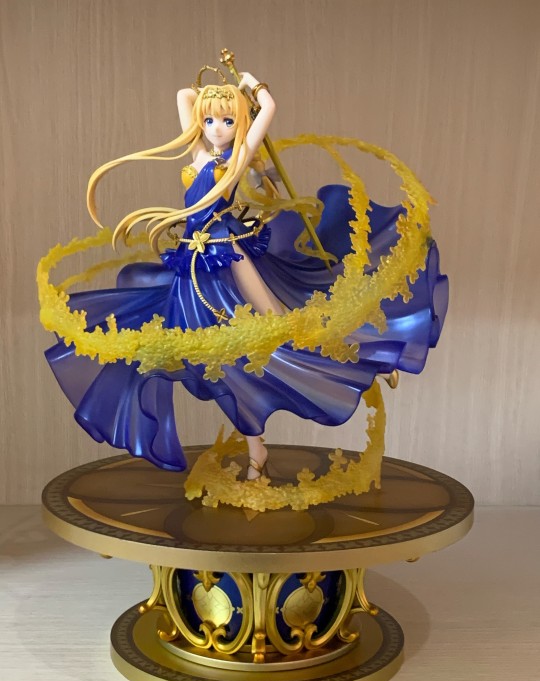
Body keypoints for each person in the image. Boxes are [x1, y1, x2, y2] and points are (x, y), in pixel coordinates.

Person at [46, 72, 448, 480]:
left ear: (239, 124)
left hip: (226, 252)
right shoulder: (198, 153)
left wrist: (252, 87)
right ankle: (258, 450)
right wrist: (219, 89)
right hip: (192, 265)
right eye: (209, 121)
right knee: (221, 364)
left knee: (280, 325)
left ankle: (374, 358)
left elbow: (269, 108)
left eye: (227, 121)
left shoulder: (235, 160)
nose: (216, 128)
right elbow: (184, 95)